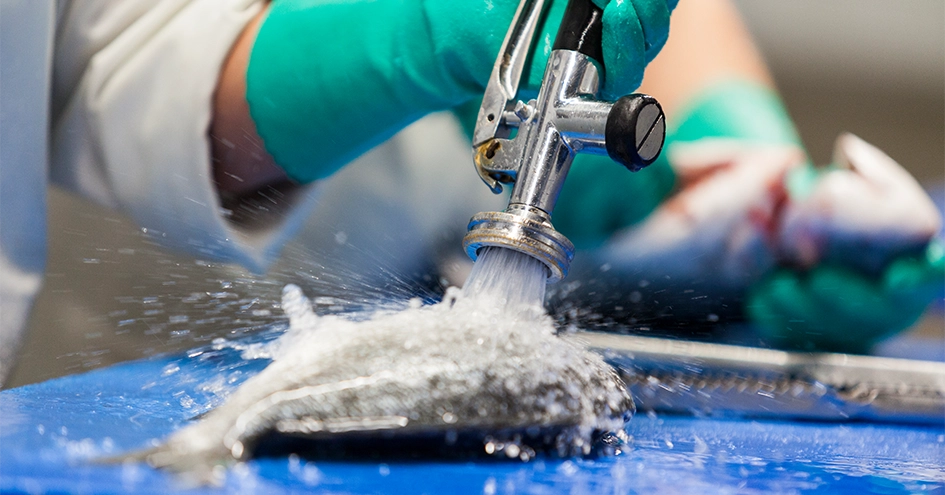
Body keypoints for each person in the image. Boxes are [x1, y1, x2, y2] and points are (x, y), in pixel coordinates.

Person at [0, 0, 675, 385]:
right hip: (166, 297)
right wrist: (416, 33)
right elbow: (124, 61)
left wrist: (722, 110)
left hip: (413, 246)